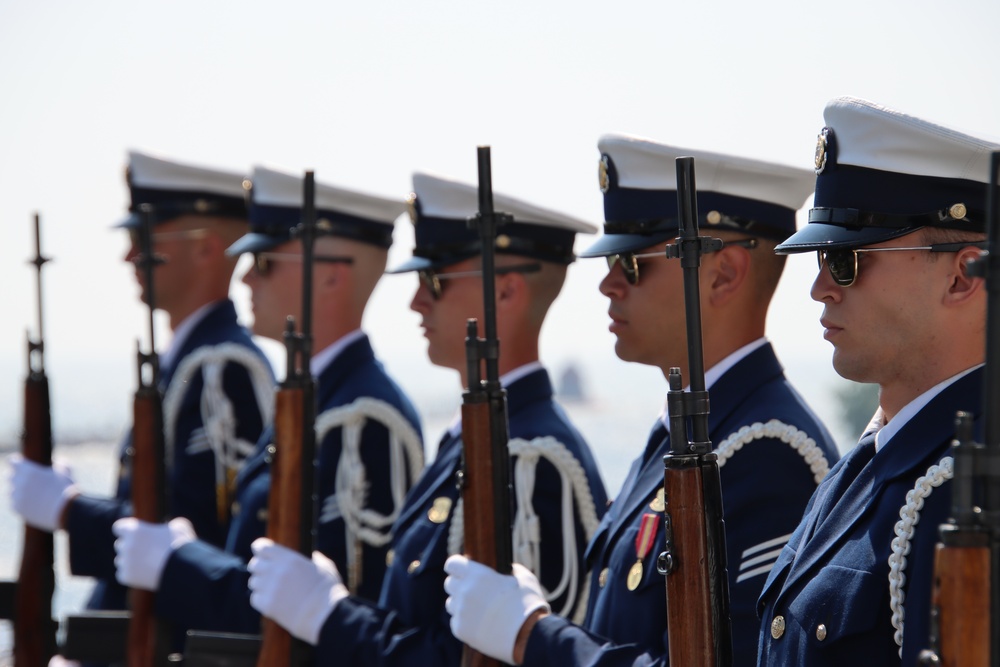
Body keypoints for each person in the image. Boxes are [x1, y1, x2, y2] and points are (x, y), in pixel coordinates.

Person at [444, 134, 841, 666]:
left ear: (722, 274)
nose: (608, 284)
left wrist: (534, 637)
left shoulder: (768, 453)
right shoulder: (687, 435)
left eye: (632, 264)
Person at [246, 170, 609, 665]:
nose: (416, 301)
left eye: (434, 280)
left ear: (505, 293)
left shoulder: (531, 461)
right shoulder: (472, 445)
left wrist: (327, 613)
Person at [110, 165, 425, 643]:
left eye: (266, 262)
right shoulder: (315, 403)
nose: (247, 279)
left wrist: (174, 561)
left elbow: (344, 615)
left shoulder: (362, 420)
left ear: (330, 277)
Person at [755, 96, 999, 665]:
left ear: (962, 276)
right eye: (820, 258)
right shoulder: (869, 465)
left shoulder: (965, 489)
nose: (820, 288)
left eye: (847, 261)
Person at [8, 150, 274, 624]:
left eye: (143, 236)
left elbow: (197, 541)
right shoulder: (190, 363)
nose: (129, 254)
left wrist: (70, 510)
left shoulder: (222, 371)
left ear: (206, 248)